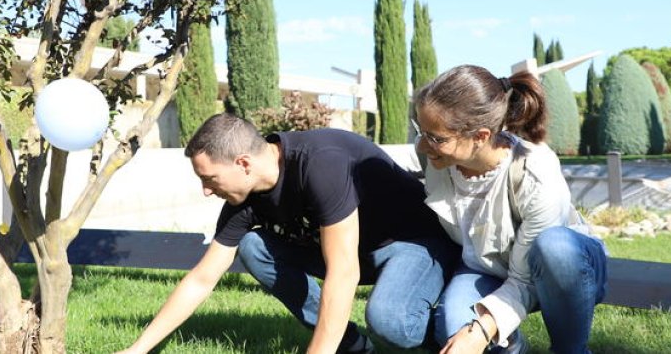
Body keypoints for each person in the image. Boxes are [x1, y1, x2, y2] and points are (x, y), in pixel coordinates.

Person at [116, 112, 458, 354]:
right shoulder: (244, 198)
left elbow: (343, 273)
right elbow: (202, 279)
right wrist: (137, 349)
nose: (206, 190)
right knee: (253, 246)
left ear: (244, 164)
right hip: (355, 254)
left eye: (210, 179)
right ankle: (350, 344)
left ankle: (459, 337)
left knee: (391, 323)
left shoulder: (321, 163)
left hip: (412, 244)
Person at [412, 65, 608, 354]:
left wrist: (482, 328)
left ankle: (571, 349)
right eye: (422, 131)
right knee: (453, 330)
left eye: (437, 138)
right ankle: (513, 346)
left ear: (480, 136)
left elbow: (524, 279)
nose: (425, 146)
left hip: (559, 270)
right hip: (485, 267)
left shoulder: (535, 172)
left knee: (554, 246)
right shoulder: (437, 159)